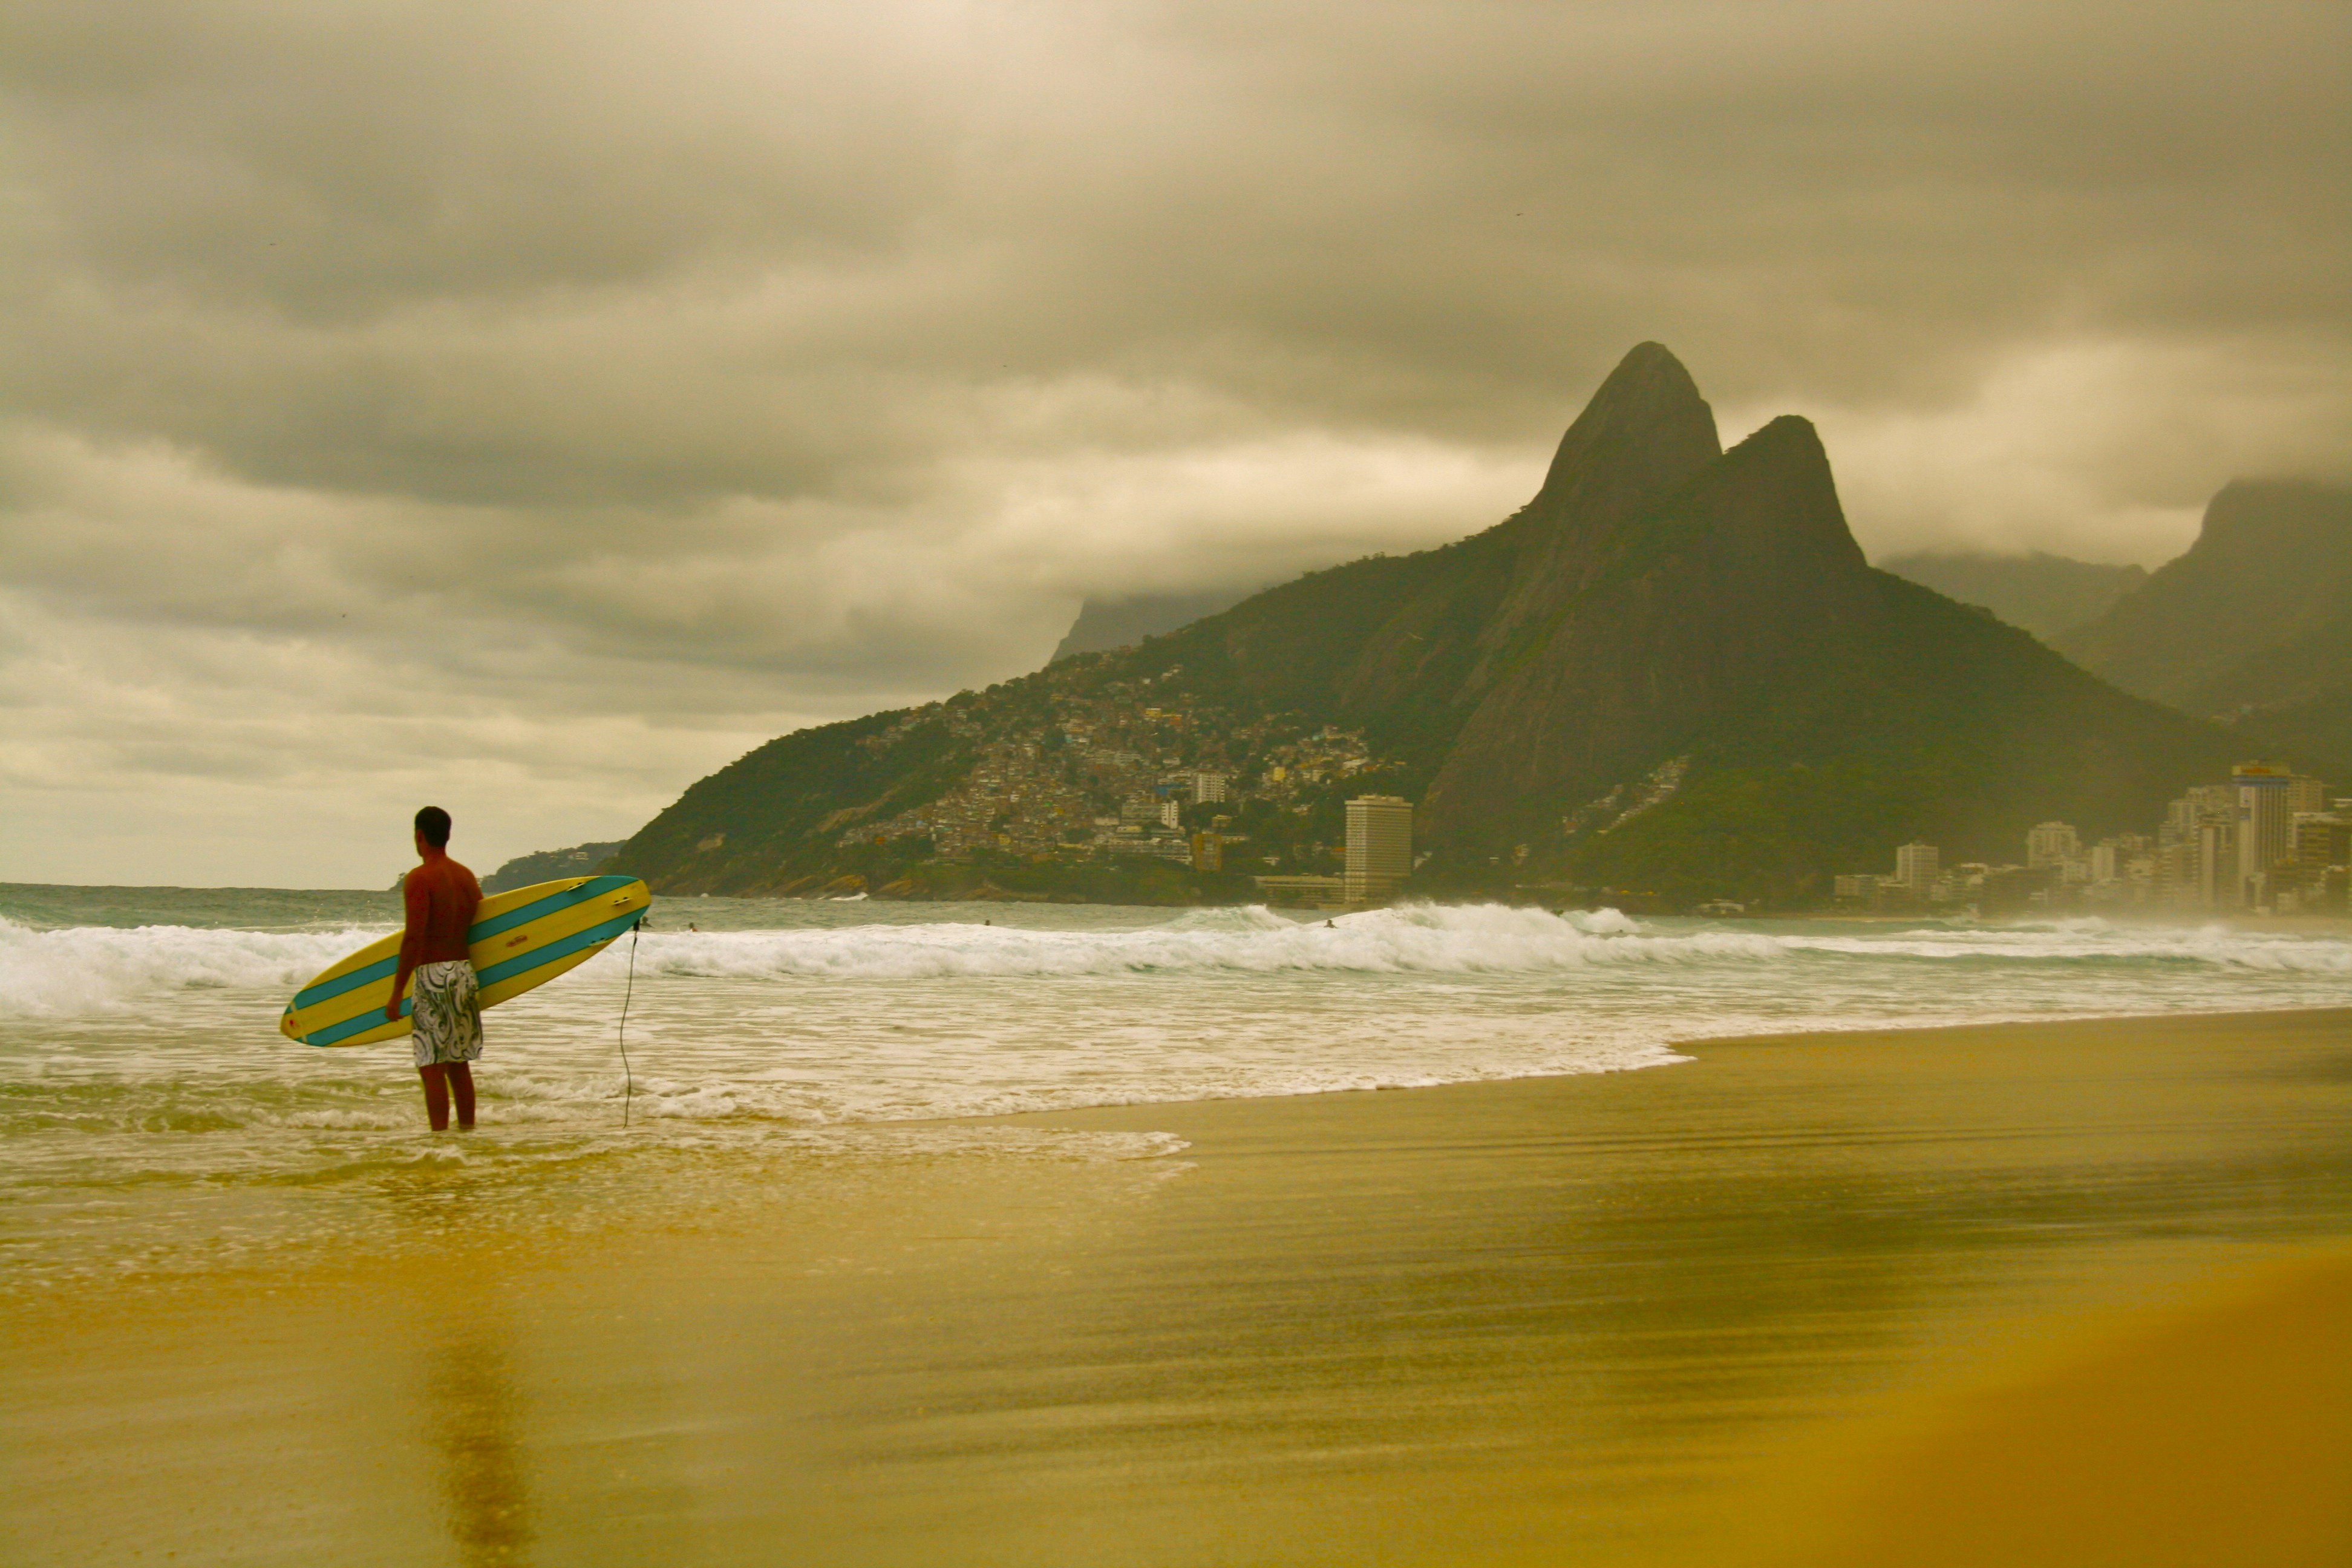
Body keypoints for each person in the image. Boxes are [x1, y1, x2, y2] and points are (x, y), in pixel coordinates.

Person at [387, 805, 485, 1131]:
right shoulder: (466, 876)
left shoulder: (419, 878)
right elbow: (484, 928)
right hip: (464, 973)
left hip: (433, 977)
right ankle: (467, 1134)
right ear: (447, 835)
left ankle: (440, 1142)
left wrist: (396, 993)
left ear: (419, 836)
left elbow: (414, 937)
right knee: (459, 1064)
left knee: (431, 1066)